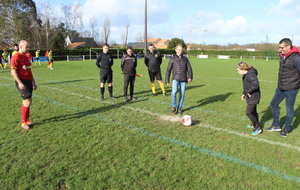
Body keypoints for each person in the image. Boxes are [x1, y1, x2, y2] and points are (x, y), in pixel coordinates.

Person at [267, 38, 300, 137]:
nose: (280, 49)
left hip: (292, 88)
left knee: (289, 109)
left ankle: (286, 128)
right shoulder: (282, 56)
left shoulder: (296, 58)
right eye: (279, 47)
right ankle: (276, 125)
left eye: (282, 47)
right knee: (273, 104)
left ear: (288, 46)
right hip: (281, 87)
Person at [10, 40, 37, 130]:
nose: (28, 49)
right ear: (20, 47)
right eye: (26, 47)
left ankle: (27, 120)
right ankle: (23, 122)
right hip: (22, 82)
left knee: (28, 101)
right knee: (27, 101)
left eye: (28, 47)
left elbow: (29, 70)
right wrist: (20, 82)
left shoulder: (25, 57)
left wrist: (33, 82)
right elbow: (13, 71)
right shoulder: (16, 57)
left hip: (28, 81)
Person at [165, 44, 193, 114]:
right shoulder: (172, 59)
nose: (180, 51)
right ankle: (174, 107)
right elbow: (168, 70)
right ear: (176, 50)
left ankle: (179, 108)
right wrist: (167, 80)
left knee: (182, 94)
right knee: (174, 92)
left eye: (181, 50)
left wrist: (190, 76)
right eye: (179, 50)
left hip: (183, 79)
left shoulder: (185, 59)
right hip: (175, 78)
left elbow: (189, 68)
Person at [237, 62, 261, 136]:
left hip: (254, 95)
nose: (238, 72)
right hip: (250, 95)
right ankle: (254, 123)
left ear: (243, 69)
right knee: (253, 111)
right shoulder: (246, 75)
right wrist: (244, 93)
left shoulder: (251, 75)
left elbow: (255, 85)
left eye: (239, 70)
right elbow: (247, 86)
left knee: (249, 112)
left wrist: (248, 92)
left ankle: (257, 128)